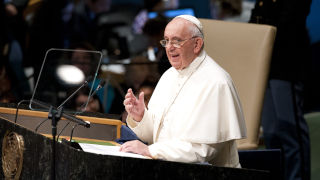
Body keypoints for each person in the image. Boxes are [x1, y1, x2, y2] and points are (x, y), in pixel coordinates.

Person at [120, 15, 246, 167]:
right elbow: (156, 136)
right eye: (166, 41)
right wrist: (141, 117)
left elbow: (203, 150)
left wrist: (151, 151)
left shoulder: (217, 82)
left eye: (177, 41)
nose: (169, 47)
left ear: (197, 44)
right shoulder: (169, 75)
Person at [249, 0, 312, 180]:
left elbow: (288, 23)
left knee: (290, 132)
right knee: (271, 134)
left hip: (286, 66)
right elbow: (255, 20)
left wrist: (261, 33)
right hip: (265, 67)